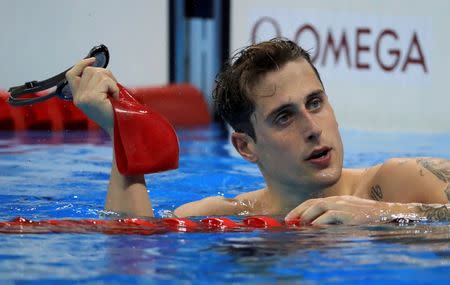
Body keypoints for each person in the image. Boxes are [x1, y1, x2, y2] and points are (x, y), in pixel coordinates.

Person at [66, 38, 450, 225]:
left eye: (315, 103)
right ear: (245, 146)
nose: (313, 129)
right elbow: (132, 247)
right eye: (284, 117)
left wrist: (386, 215)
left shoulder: (398, 182)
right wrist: (120, 128)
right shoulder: (222, 216)